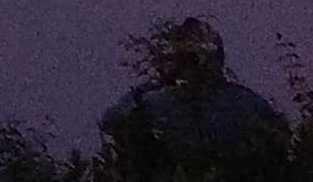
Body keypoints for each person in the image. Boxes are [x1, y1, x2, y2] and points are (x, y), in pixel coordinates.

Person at [98, 17, 290, 165]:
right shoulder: (246, 102)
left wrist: (153, 85)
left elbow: (111, 121)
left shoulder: (155, 102)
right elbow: (280, 135)